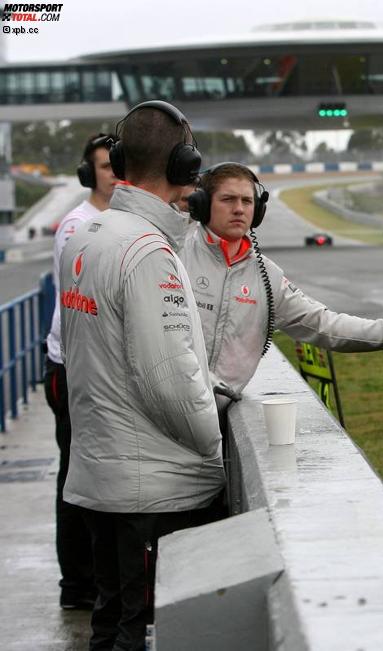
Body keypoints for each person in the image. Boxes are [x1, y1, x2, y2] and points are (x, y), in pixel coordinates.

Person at [59, 100, 223, 651]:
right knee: (140, 629)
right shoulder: (149, 250)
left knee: (110, 622)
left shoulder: (85, 235)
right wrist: (214, 448)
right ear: (185, 166)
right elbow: (168, 380)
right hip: (150, 491)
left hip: (98, 475)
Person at [180, 162, 383, 413]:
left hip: (214, 428)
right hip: (160, 426)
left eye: (247, 201)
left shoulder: (268, 277)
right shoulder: (173, 254)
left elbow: (326, 325)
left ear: (258, 210)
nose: (239, 208)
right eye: (228, 199)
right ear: (202, 205)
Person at [42, 132, 117, 610]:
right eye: (106, 166)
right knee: (75, 477)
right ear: (90, 174)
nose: (114, 174)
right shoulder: (77, 226)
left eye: (120, 165)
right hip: (72, 367)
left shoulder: (121, 220)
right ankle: (77, 585)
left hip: (97, 366)